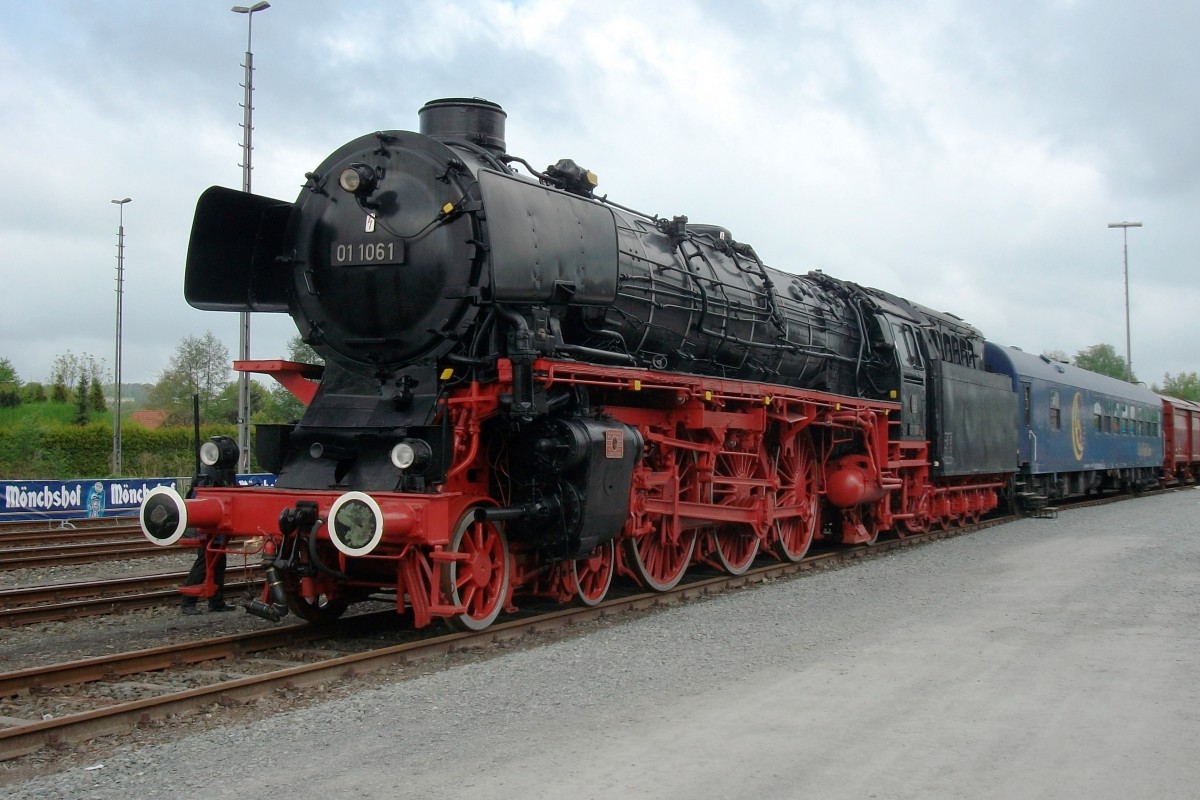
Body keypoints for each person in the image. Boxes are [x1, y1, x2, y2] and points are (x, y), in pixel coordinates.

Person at [180, 535, 232, 614]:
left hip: (216, 536)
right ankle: (188, 603)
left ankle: (216, 602)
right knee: (203, 566)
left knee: (219, 565)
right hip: (208, 536)